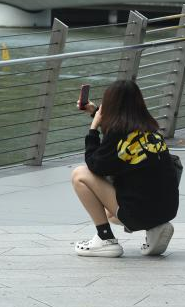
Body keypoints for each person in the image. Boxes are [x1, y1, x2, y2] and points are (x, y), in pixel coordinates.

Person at [71, 80, 179, 257]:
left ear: (110, 104)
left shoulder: (118, 134)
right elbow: (123, 139)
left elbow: (95, 165)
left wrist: (93, 129)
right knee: (112, 212)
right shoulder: (151, 129)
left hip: (137, 213)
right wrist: (95, 112)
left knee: (80, 174)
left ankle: (105, 239)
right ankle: (155, 228)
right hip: (167, 209)